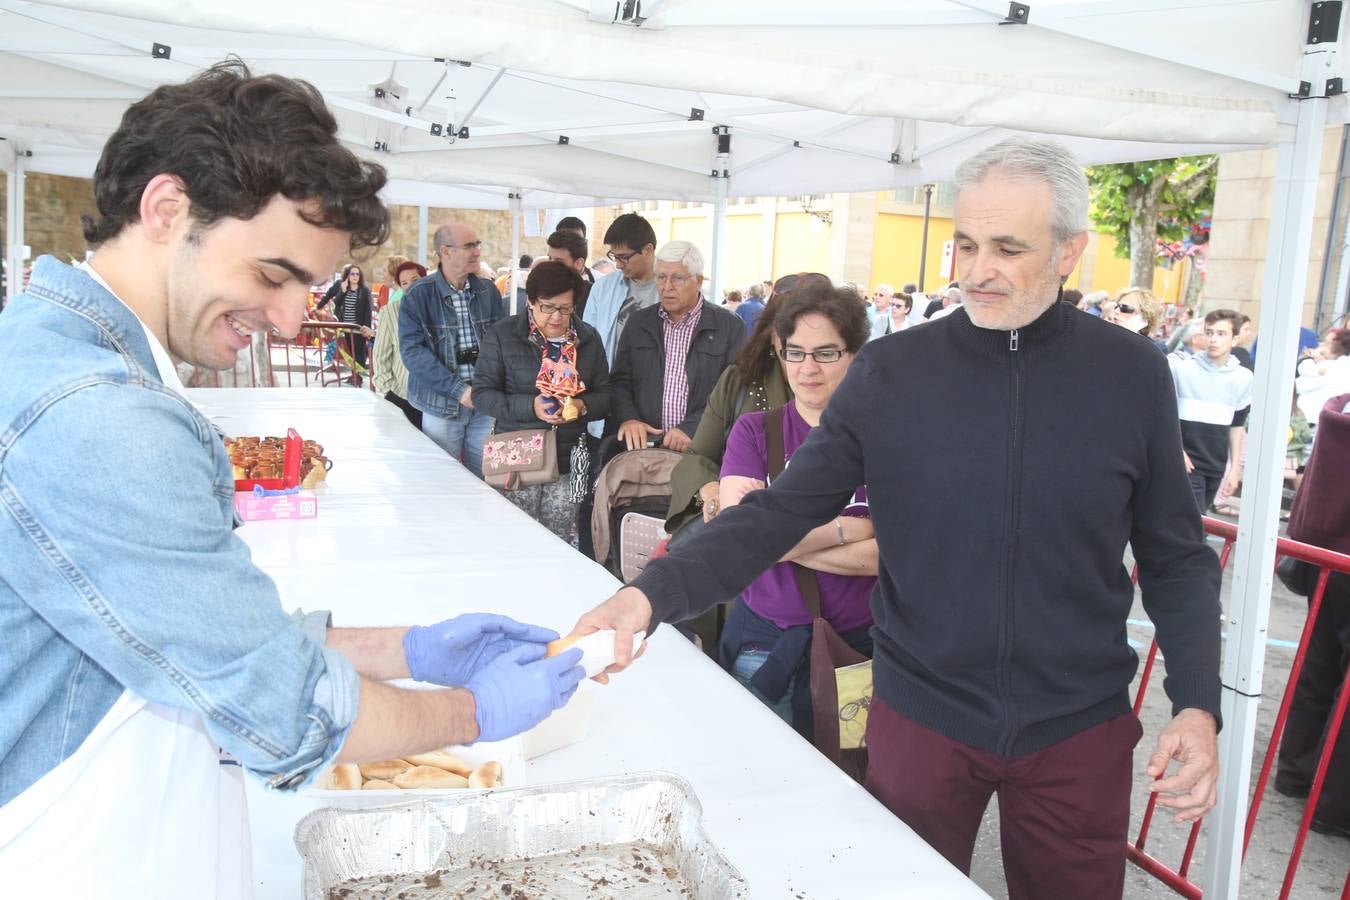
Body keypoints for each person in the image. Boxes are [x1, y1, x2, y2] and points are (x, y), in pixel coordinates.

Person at [569, 137, 1222, 900]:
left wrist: (1197, 703)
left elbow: (1176, 555)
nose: (978, 270)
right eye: (967, 244)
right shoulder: (893, 373)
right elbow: (780, 512)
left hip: (1077, 726)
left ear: (1069, 252)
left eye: (1008, 248)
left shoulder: (1131, 374)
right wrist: (647, 597)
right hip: (922, 717)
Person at [0, 62, 584, 896]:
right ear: (166, 211)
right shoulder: (97, 415)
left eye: (305, 286)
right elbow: (279, 703)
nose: (286, 319)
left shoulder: (71, 358)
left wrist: (408, 649)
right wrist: (472, 712)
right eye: (273, 275)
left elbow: (194, 628)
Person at [717, 282, 877, 731]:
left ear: (854, 355)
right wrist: (850, 529)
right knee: (754, 766)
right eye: (795, 352)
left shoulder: (885, 440)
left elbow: (888, 557)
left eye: (825, 353)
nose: (808, 368)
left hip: (858, 652)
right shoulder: (754, 432)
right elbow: (742, 537)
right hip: (764, 647)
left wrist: (779, 542)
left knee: (846, 771)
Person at [664, 273, 829, 541]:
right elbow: (697, 457)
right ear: (772, 335)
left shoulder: (852, 395)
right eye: (789, 336)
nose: (805, 361)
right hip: (737, 532)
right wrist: (712, 492)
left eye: (822, 348)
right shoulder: (740, 381)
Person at [473, 261, 611, 541]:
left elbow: (606, 395)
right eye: (547, 307)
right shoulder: (504, 335)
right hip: (517, 454)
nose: (557, 317)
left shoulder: (588, 338)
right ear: (531, 301)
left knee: (560, 538)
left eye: (566, 308)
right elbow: (482, 395)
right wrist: (531, 406)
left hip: (570, 457)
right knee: (511, 536)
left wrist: (582, 406)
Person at [1276, 391, 1350, 839]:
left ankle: (1296, 771)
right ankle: (1335, 804)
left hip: (1325, 554)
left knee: (1319, 668)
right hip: (1338, 555)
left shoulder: (1339, 407)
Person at [608, 240, 746, 453]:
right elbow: (620, 381)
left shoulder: (729, 326)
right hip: (644, 449)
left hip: (702, 449)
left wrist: (691, 428)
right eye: (661, 277)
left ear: (698, 281)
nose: (667, 287)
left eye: (678, 278)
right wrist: (630, 419)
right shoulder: (638, 323)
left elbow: (735, 391)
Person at [400, 222, 507, 478]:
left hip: (485, 402)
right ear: (445, 251)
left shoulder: (488, 291)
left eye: (477, 244)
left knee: (486, 480)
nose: (477, 251)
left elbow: (499, 344)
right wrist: (459, 390)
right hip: (441, 404)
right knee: (444, 481)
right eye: (469, 246)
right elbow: (413, 353)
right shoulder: (418, 295)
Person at [1169, 309, 1254, 514]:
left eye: (1221, 334)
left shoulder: (1244, 378)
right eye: (1209, 333)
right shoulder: (1182, 369)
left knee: (1196, 523)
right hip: (1185, 462)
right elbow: (1164, 415)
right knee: (1195, 523)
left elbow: (1237, 426)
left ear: (1235, 339)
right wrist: (1177, 450)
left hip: (1216, 464)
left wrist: (1234, 469)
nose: (1213, 339)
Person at [371, 260, 427, 429]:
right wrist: (388, 389)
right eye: (404, 283)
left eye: (415, 280)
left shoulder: (438, 309)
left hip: (434, 398)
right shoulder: (390, 312)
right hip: (402, 395)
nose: (410, 286)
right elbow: (380, 355)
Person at [317, 263, 373, 385]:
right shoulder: (342, 286)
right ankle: (353, 375)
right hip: (344, 327)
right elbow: (337, 302)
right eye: (352, 274)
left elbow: (368, 310)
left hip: (358, 328)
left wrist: (367, 327)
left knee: (359, 352)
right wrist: (342, 291)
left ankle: (357, 377)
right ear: (347, 275)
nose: (355, 276)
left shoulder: (364, 290)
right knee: (349, 352)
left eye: (357, 274)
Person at [545, 229, 593, 318]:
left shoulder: (594, 295)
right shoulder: (541, 290)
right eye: (550, 258)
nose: (551, 265)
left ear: (578, 264)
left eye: (558, 261)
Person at [1107, 286, 1165, 350]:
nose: (1116, 311)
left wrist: (1131, 338)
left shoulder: (1154, 349)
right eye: (1116, 306)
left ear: (1143, 316)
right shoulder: (1106, 337)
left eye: (1124, 307)